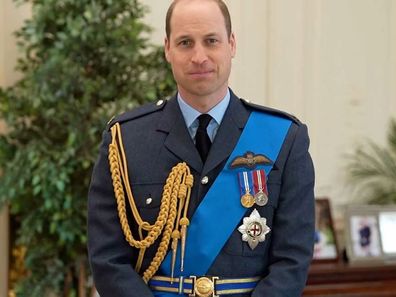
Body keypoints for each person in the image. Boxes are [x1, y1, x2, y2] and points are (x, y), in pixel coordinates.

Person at [87, 0, 315, 296]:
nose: (199, 56)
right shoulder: (126, 141)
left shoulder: (284, 138)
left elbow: (292, 261)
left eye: (211, 41)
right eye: (185, 43)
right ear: (167, 48)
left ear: (231, 44)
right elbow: (108, 260)